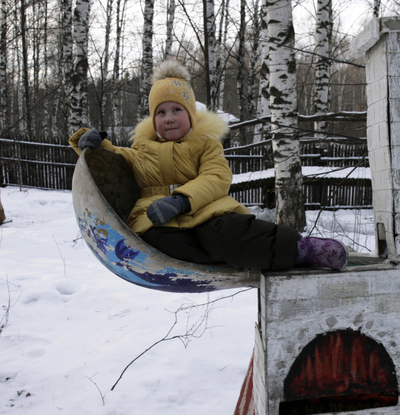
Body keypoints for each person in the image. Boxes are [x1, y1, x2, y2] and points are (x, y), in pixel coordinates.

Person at [69, 59, 347, 271]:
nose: (169, 118)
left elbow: (217, 175)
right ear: (153, 118)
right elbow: (118, 159)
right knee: (163, 244)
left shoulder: (205, 144)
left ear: (191, 114)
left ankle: (300, 248)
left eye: (177, 110)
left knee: (228, 233)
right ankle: (233, 254)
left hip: (207, 214)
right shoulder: (142, 148)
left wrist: (181, 201)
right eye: (161, 112)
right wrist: (93, 144)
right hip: (158, 223)